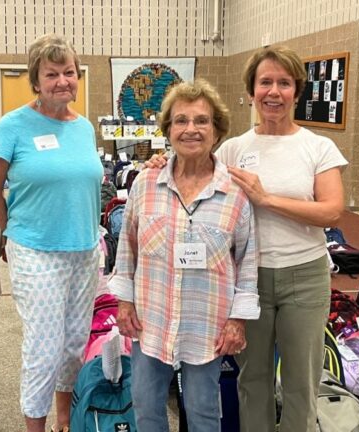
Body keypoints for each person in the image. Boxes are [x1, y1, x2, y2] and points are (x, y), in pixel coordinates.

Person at [148, 45, 347, 432]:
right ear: (252, 91)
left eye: (284, 83)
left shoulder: (318, 147)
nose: (274, 92)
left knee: (301, 384)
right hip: (247, 281)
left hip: (304, 277)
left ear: (297, 91)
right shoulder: (234, 148)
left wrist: (265, 198)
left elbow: (332, 212)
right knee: (251, 379)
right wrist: (162, 160)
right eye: (265, 82)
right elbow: (191, 171)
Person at [109, 79, 260, 431]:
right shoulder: (145, 184)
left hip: (207, 323)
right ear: (168, 129)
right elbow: (126, 248)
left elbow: (247, 262)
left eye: (201, 121)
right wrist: (124, 303)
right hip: (151, 318)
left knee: (204, 412)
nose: (190, 129)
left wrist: (238, 321)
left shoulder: (235, 192)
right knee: (146, 408)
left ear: (216, 130)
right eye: (181, 120)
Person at [0, 34, 102, 432]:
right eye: (52, 74)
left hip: (85, 249)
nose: (62, 81)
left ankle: (63, 420)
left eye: (69, 72)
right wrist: (8, 232)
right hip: (36, 250)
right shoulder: (12, 126)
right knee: (44, 348)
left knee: (72, 345)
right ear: (36, 80)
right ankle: (35, 427)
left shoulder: (84, 128)